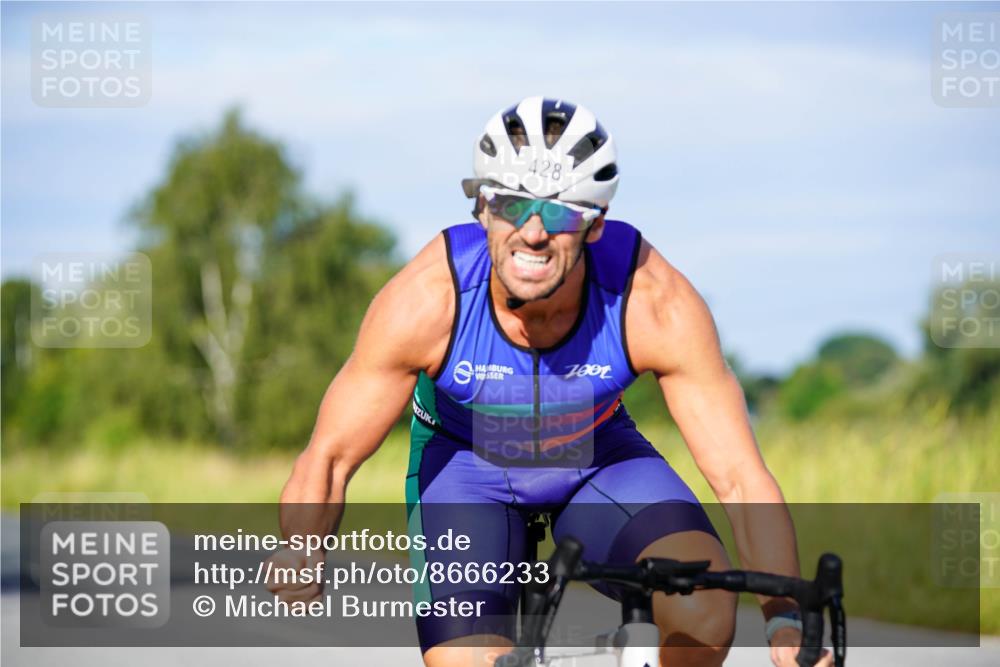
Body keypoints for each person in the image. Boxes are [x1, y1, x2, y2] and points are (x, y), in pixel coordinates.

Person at [267, 97, 831, 667]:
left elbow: (739, 478)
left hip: (596, 459)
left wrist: (785, 618)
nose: (533, 233)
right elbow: (331, 457)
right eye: (512, 205)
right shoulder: (428, 300)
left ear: (595, 224)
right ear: (482, 209)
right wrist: (302, 548)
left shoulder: (651, 301)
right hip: (467, 468)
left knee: (702, 607)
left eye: (561, 213)